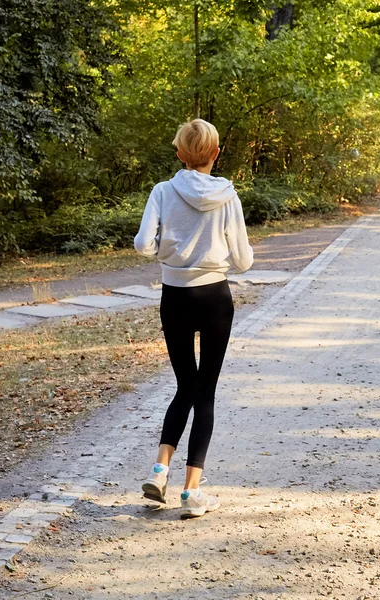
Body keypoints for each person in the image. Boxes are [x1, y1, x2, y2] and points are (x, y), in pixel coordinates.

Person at [134, 119, 253, 518]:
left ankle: (160, 468)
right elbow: (244, 259)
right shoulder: (228, 196)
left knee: (186, 385)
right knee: (205, 393)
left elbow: (142, 245)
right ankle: (191, 491)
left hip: (175, 298)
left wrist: (170, 252)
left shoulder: (163, 191)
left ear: (179, 153)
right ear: (215, 154)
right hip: (215, 297)